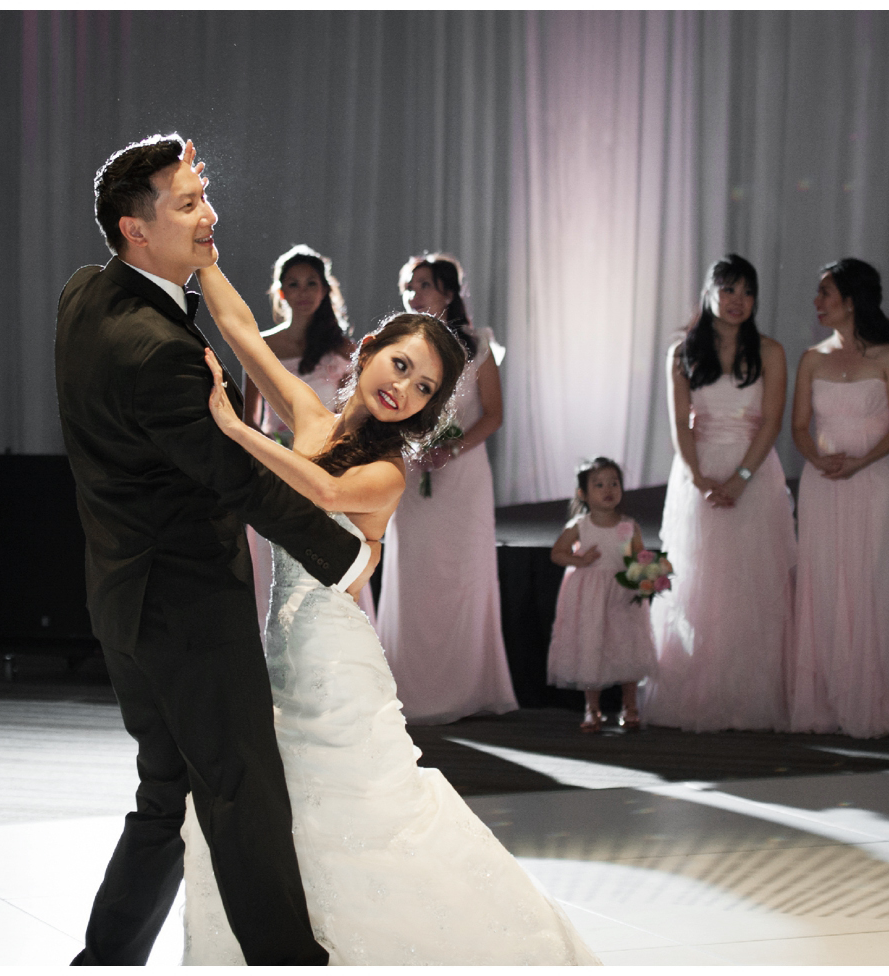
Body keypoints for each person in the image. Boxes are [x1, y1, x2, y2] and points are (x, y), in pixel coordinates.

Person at [182, 245, 597, 965]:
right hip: (281, 656)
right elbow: (247, 337)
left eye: (425, 388)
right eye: (400, 366)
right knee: (294, 811)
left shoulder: (387, 472)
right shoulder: (311, 423)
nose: (405, 389)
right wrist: (205, 258)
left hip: (337, 670)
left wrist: (236, 429)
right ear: (368, 350)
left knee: (370, 814)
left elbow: (322, 494)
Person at [56, 136, 375, 965]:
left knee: (167, 792)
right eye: (190, 203)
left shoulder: (86, 295)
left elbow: (215, 317)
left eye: (207, 196)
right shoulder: (155, 351)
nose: (211, 215)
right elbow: (238, 481)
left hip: (125, 598)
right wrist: (340, 553)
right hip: (186, 603)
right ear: (135, 228)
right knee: (243, 792)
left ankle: (105, 960)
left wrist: (186, 209)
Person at [644, 255, 797, 732]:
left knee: (754, 585)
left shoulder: (770, 351)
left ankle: (752, 698)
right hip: (700, 477)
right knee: (699, 585)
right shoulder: (681, 353)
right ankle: (697, 695)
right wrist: (699, 478)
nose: (737, 301)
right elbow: (679, 427)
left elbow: (772, 423)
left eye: (747, 292)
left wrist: (741, 479)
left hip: (754, 474)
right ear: (710, 294)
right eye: (728, 290)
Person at [784, 258, 889, 738]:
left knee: (875, 580)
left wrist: (860, 462)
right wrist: (819, 460)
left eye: (826, 292)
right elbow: (800, 426)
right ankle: (826, 702)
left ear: (852, 299)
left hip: (874, 481)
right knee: (825, 581)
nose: (818, 302)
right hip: (824, 486)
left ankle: (878, 703)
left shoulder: (888, 357)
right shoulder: (811, 358)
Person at [376, 253, 516, 725]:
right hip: (414, 477)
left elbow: (494, 414)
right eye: (409, 286)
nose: (414, 294)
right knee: (415, 574)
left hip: (464, 478)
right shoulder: (399, 348)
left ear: (449, 293)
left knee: (464, 576)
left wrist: (450, 450)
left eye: (424, 285)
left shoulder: (479, 346)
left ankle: (468, 688)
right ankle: (411, 689)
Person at [242, 246, 366, 630]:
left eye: (311, 283)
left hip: (329, 475)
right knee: (273, 568)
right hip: (276, 473)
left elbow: (355, 423)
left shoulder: (345, 351)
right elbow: (250, 421)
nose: (303, 291)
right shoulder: (262, 346)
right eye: (293, 284)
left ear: (326, 290)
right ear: (280, 293)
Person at [546, 458, 656, 734]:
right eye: (599, 485)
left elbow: (640, 557)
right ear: (583, 494)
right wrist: (580, 560)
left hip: (621, 594)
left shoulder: (629, 525)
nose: (608, 489)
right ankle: (591, 707)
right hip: (590, 596)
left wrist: (645, 574)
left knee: (625, 644)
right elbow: (557, 553)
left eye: (614, 483)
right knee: (591, 644)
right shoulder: (580, 525)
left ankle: (629, 705)